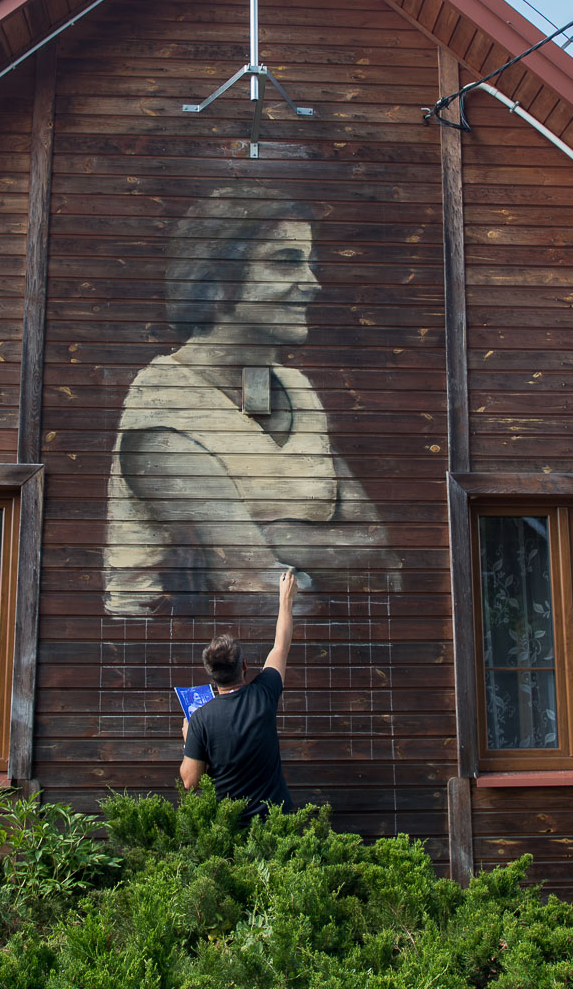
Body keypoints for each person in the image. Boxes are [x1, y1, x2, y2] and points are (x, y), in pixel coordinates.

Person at [104, 189, 387, 617]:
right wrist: (325, 554)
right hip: (169, 649)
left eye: (310, 264)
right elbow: (254, 589)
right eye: (286, 262)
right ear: (218, 279)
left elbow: (379, 557)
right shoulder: (164, 410)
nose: (313, 284)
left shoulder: (296, 389)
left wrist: (276, 536)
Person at [179, 568, 299, 819]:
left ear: (211, 674)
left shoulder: (200, 720)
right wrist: (285, 598)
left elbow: (190, 782)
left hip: (232, 829)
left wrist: (190, 739)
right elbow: (281, 646)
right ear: (244, 666)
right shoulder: (263, 694)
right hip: (276, 824)